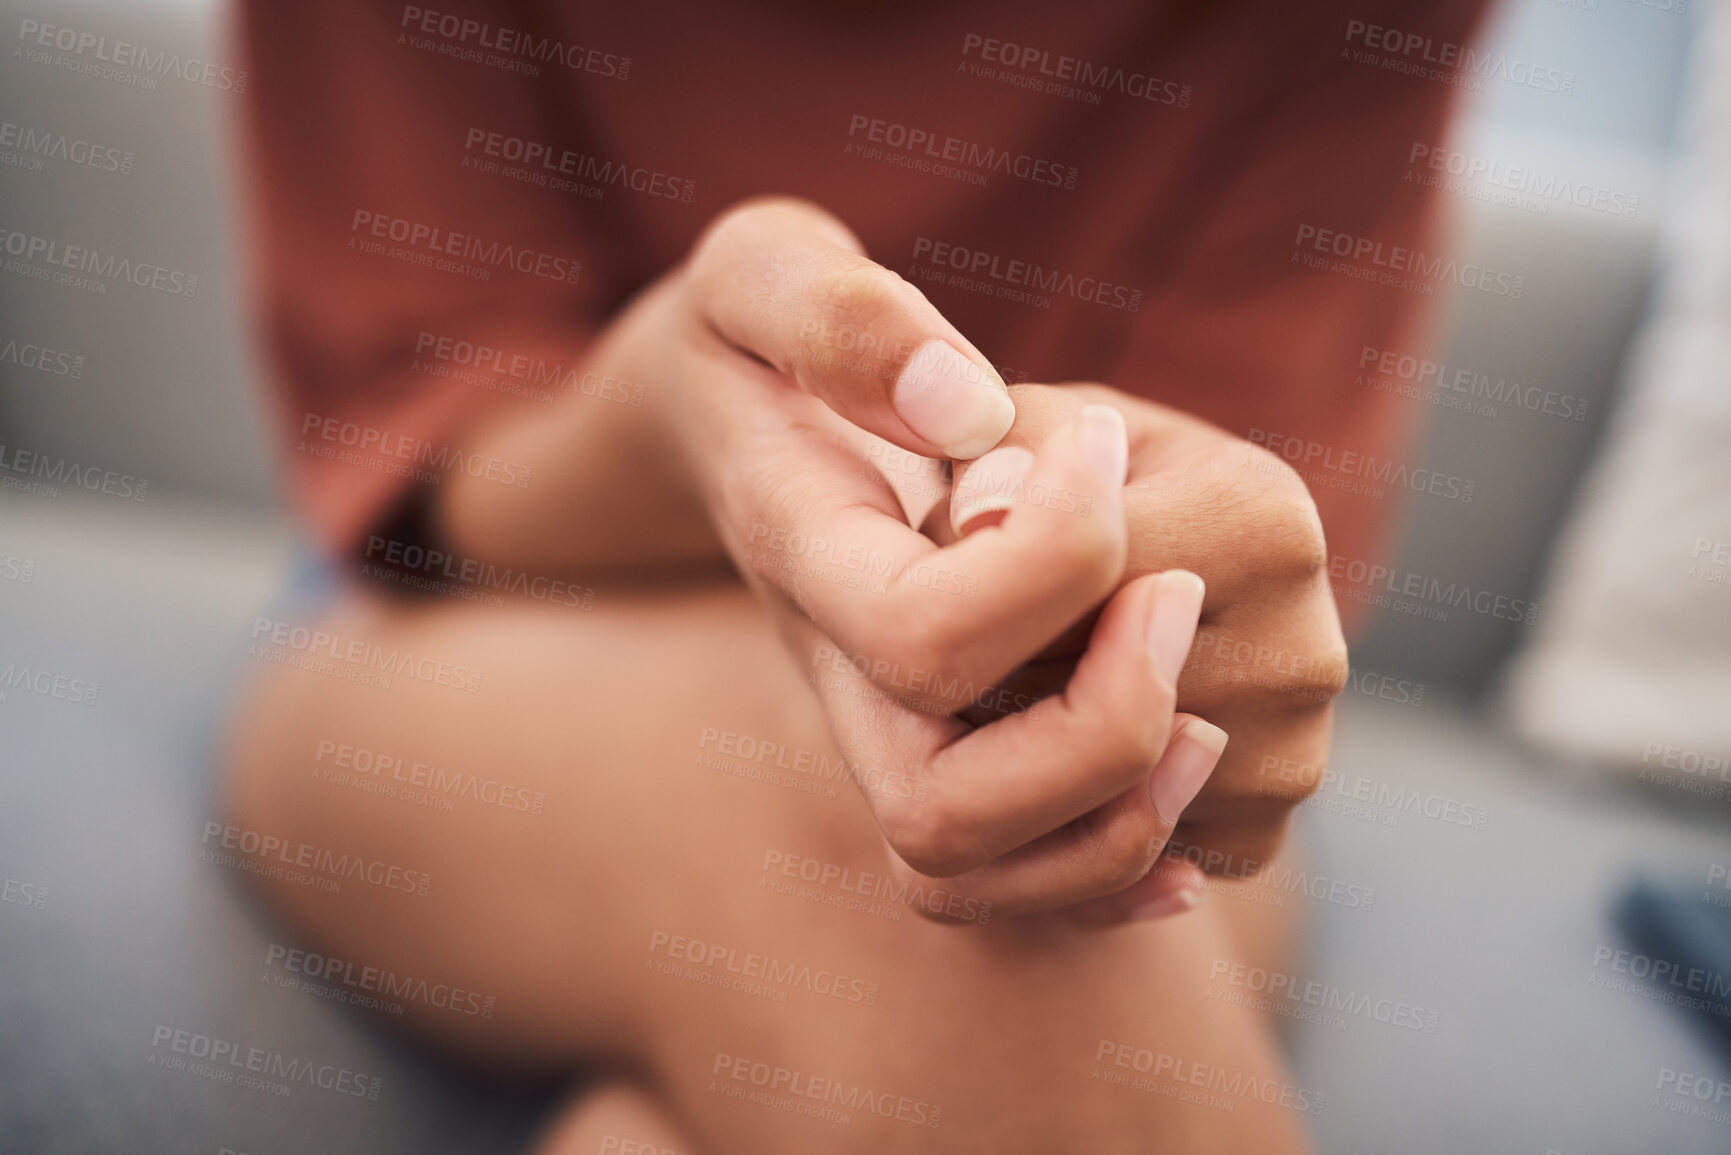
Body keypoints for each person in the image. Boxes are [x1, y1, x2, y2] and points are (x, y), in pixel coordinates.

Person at [223, 0, 1490, 1149]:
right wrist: (675, 415)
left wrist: (1125, 580)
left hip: (1077, 725)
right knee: (892, 855)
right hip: (480, 602)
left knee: (996, 849)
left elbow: (1229, 549)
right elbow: (430, 474)